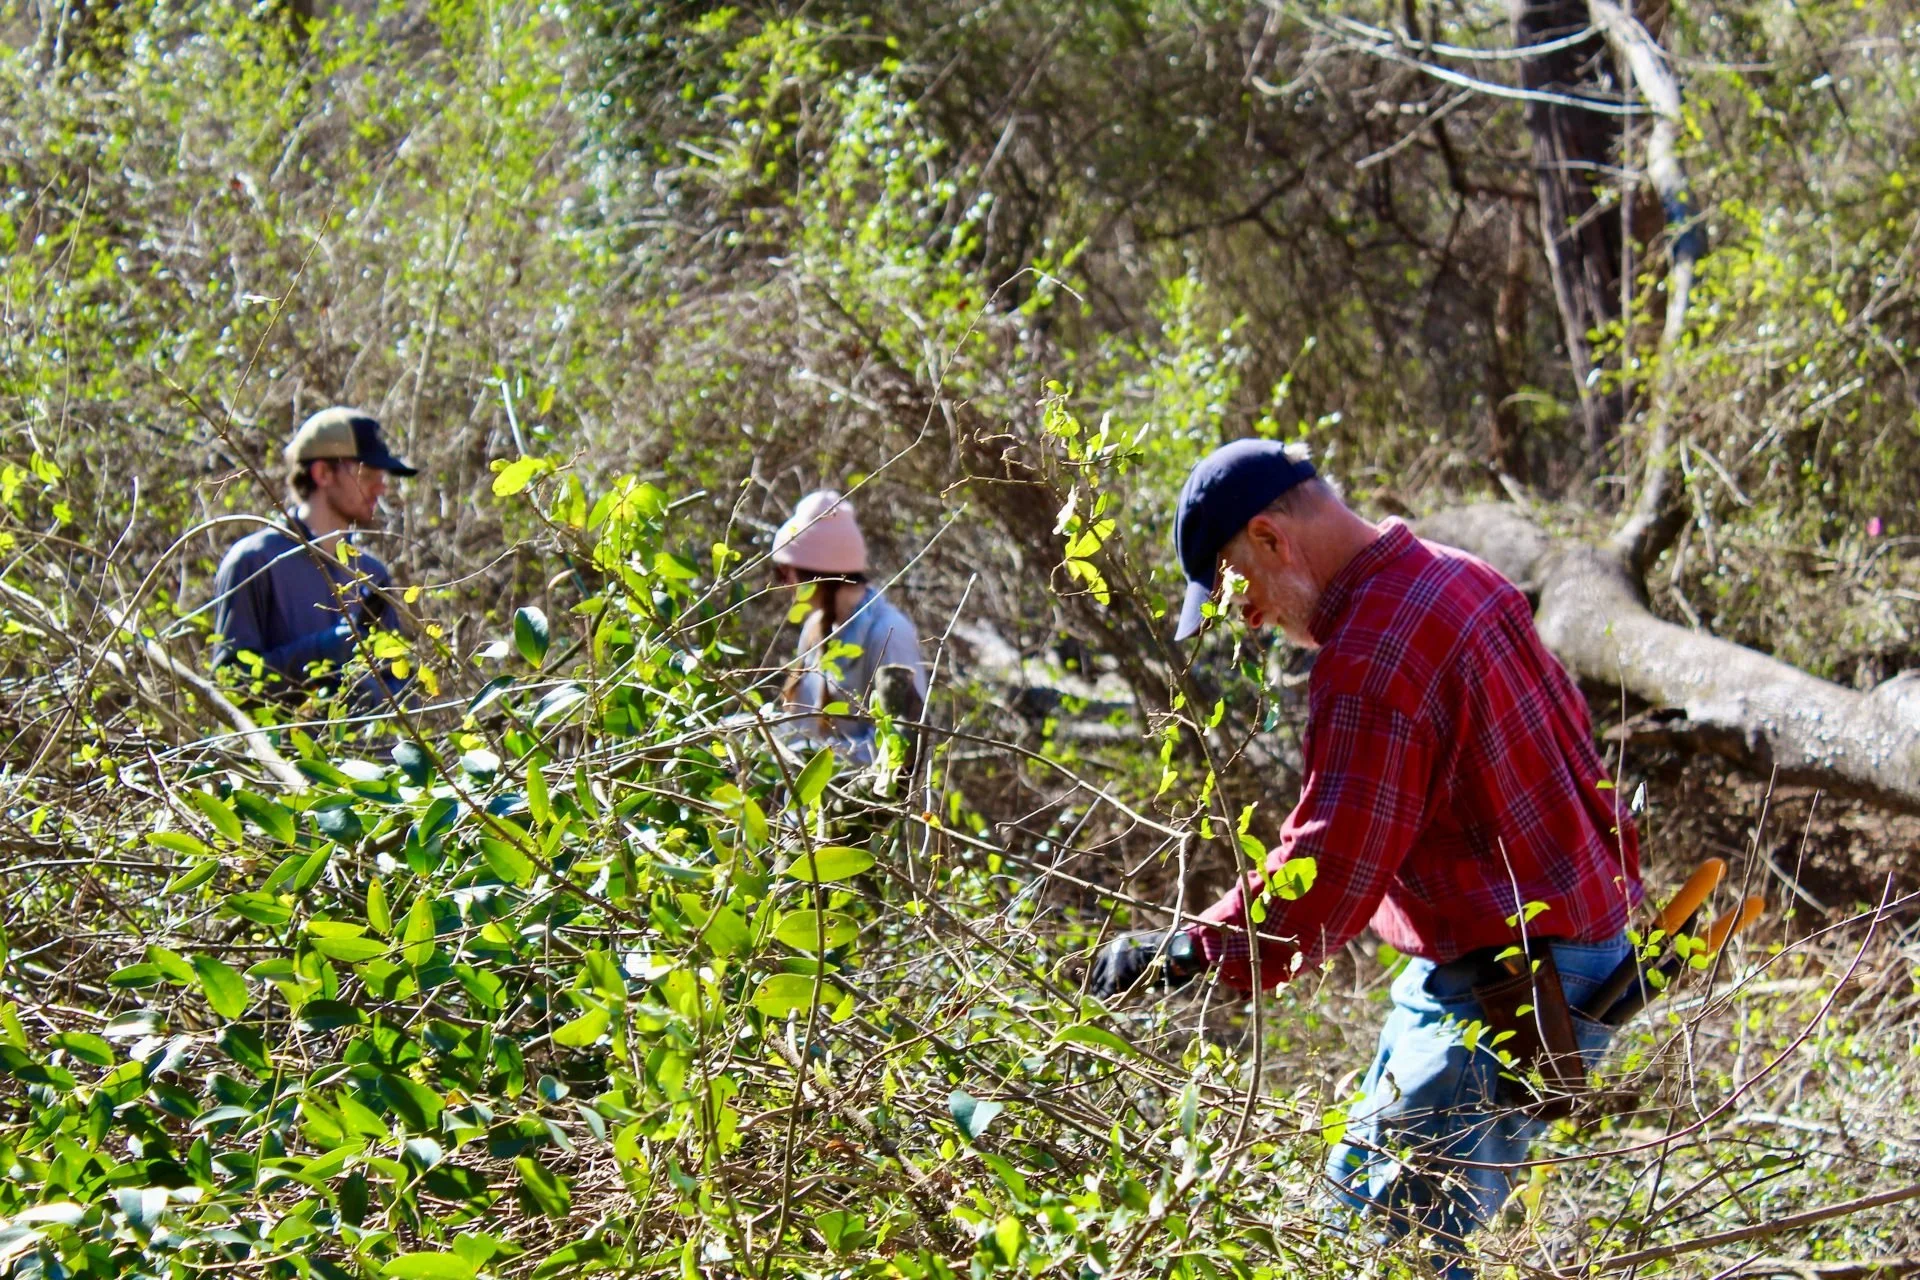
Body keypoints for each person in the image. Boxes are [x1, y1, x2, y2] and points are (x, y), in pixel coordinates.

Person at [1091, 439, 1642, 1273]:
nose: (1245, 617)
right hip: (1551, 955)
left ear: (1271, 537)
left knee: (1392, 1246)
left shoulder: (1371, 656)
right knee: (1356, 1206)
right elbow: (1577, 743)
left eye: (1236, 586)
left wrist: (1190, 949)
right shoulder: (1459, 573)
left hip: (1515, 981)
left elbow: (1331, 873)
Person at [210, 406, 416, 703]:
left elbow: (400, 688)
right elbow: (230, 688)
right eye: (368, 474)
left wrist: (375, 696)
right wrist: (320, 652)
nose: (380, 488)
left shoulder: (372, 574)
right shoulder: (254, 561)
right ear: (322, 473)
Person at [771, 489, 926, 761]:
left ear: (815, 575)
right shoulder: (816, 628)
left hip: (855, 790)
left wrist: (821, 761)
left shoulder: (888, 633)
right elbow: (798, 727)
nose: (783, 585)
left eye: (785, 573)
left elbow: (904, 748)